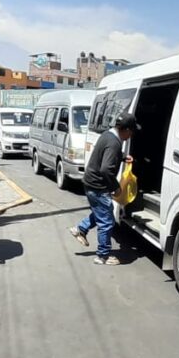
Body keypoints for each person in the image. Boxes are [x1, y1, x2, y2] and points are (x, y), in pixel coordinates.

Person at [69, 113, 140, 265]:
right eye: (131, 131)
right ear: (125, 129)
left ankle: (80, 229)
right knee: (107, 221)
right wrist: (116, 188)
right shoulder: (114, 143)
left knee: (101, 212)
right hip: (98, 186)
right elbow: (106, 169)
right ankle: (103, 255)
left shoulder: (107, 135)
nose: (131, 134)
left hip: (91, 183)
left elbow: (106, 155)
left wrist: (121, 157)